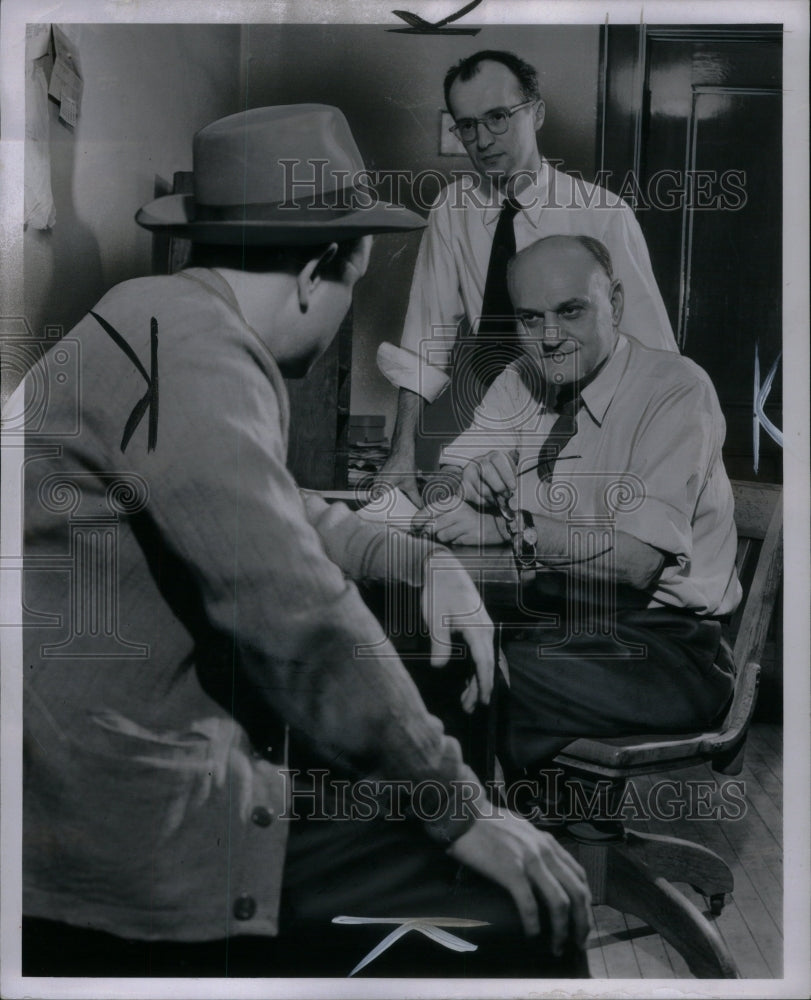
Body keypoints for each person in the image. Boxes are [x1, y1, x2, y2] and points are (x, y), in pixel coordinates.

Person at [18, 106, 592, 979]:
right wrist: (459, 808)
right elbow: (288, 602)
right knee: (521, 911)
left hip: (70, 789)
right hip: (115, 827)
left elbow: (277, 510)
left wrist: (420, 559)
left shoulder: (146, 315)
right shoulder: (196, 346)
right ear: (327, 264)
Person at [412, 234, 740, 795]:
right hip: (559, 620)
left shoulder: (676, 389)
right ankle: (486, 838)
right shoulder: (520, 381)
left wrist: (508, 527)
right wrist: (460, 482)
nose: (549, 338)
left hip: (664, 650)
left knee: (462, 670)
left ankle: (472, 853)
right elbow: (439, 484)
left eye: (571, 312)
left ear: (614, 303)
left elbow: (637, 562)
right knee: (426, 644)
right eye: (529, 318)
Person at [376, 49, 676, 505]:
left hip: (596, 425)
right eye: (467, 125)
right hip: (501, 412)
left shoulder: (604, 214)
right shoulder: (452, 211)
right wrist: (400, 456)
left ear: (536, 114)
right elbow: (424, 342)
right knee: (454, 532)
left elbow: (655, 353)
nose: (482, 139)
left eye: (498, 117)